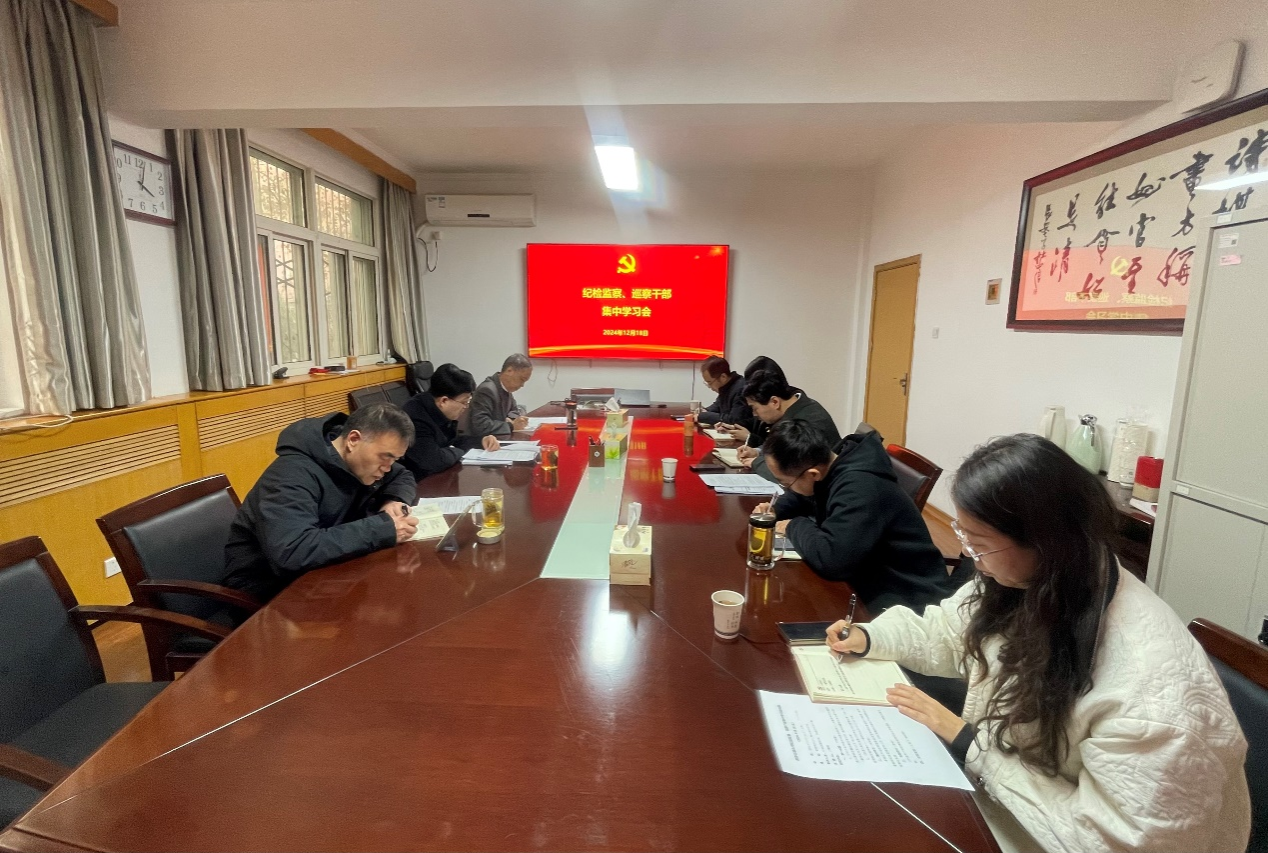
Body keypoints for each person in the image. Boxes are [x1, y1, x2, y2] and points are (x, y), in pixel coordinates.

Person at [826, 434, 1251, 853]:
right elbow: (951, 632)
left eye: (979, 544)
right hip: (1009, 802)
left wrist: (969, 744)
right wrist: (872, 636)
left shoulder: (1152, 699)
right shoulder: (1041, 579)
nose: (970, 557)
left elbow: (1113, 841)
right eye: (964, 537)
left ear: (1045, 540)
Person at [223, 404, 419, 602]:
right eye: (386, 457)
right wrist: (382, 529)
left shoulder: (359, 462)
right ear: (353, 440)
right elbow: (293, 552)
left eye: (394, 459)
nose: (388, 468)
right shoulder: (290, 475)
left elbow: (402, 476)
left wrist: (393, 500)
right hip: (267, 594)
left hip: (324, 576)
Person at [758, 419, 958, 612]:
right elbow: (805, 493)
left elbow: (832, 560)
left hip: (906, 596)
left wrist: (794, 525)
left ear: (813, 474)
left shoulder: (860, 488)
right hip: (867, 574)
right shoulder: (833, 461)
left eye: (785, 483)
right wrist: (777, 510)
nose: (787, 488)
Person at [733, 370, 839, 482]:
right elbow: (782, 447)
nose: (754, 414)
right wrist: (757, 451)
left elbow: (792, 472)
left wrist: (756, 463)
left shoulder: (807, 422)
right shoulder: (797, 407)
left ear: (775, 402)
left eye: (754, 408)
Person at [400, 363, 500, 479]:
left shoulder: (437, 408)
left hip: (441, 477)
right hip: (420, 482)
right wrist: (458, 451)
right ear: (444, 401)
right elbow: (433, 461)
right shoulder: (415, 417)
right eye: (464, 402)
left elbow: (453, 441)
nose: (466, 407)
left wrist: (481, 441)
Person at [464, 353, 532, 439]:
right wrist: (511, 425)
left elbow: (514, 411)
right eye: (522, 379)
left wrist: (515, 420)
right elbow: (480, 425)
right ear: (509, 371)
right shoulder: (487, 390)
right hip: (484, 442)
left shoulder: (504, 388)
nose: (522, 385)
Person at [696, 356, 747, 426]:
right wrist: (705, 411)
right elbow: (717, 406)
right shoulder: (726, 387)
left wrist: (703, 416)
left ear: (723, 377)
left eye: (710, 382)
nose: (709, 386)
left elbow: (734, 420)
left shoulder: (740, 389)